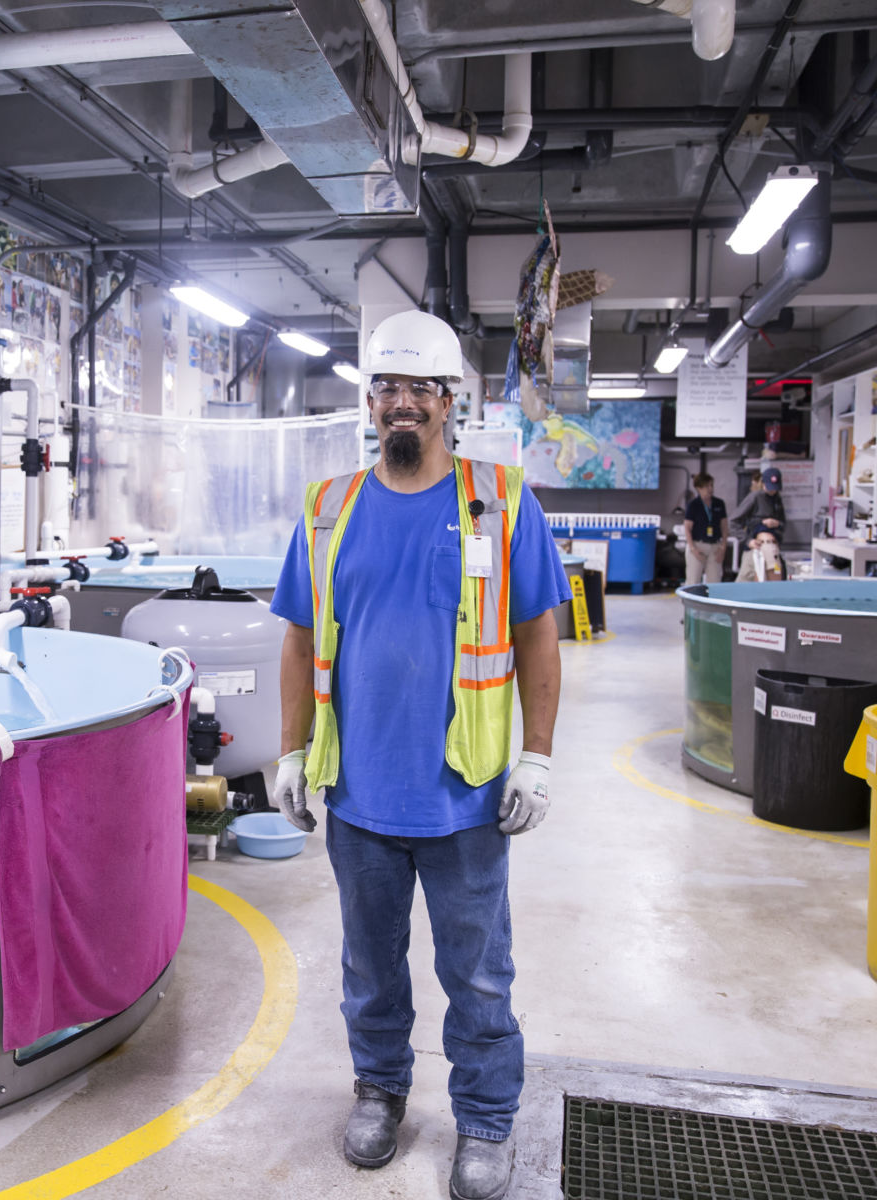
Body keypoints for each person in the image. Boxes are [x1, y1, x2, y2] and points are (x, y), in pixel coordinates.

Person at [271, 311, 569, 1200]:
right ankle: (380, 1090)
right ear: (371, 402)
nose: (403, 404)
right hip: (359, 796)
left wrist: (539, 758)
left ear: (452, 402)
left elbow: (537, 639)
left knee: (477, 972)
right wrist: (291, 752)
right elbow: (296, 642)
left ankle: (483, 1118)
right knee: (369, 964)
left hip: (465, 800)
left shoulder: (502, 501)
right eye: (388, 388)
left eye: (422, 390)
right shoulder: (329, 510)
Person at [683, 472, 727, 586]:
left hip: (715, 546)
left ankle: (712, 603)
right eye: (707, 486)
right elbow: (687, 528)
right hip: (698, 545)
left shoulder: (719, 503)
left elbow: (724, 526)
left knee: (715, 581)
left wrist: (723, 547)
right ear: (698, 488)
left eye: (711, 485)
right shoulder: (693, 505)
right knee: (693, 581)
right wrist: (693, 548)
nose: (710, 489)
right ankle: (691, 603)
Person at [732, 464, 788, 543]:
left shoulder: (777, 499)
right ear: (763, 483)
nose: (773, 491)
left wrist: (777, 524)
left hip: (773, 540)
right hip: (755, 540)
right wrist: (748, 541)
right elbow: (733, 521)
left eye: (775, 488)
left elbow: (783, 524)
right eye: (770, 487)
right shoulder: (755, 497)